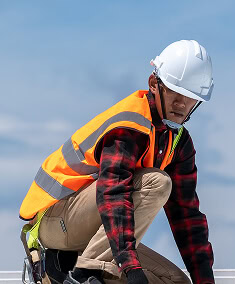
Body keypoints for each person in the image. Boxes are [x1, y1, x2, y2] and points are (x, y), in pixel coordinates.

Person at [19, 40, 215, 284]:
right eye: (175, 91)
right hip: (55, 224)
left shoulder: (179, 143)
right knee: (156, 182)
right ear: (154, 84)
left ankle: (70, 273)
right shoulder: (129, 125)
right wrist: (130, 266)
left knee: (176, 282)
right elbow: (113, 194)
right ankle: (84, 275)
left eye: (190, 97)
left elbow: (187, 218)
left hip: (94, 232)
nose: (181, 103)